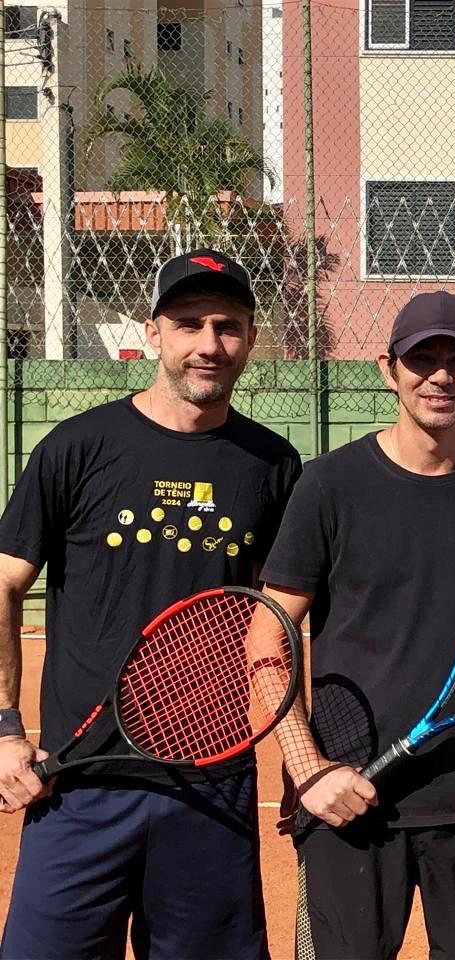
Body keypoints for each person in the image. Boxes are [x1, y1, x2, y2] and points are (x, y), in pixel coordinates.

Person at [0, 249, 302, 959]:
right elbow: (5, 584)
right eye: (189, 324)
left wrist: (297, 755)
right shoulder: (77, 447)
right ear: (153, 332)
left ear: (250, 338)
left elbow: (279, 625)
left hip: (212, 783)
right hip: (79, 782)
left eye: (227, 326)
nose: (209, 344)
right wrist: (6, 729)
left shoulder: (273, 466)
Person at [259, 291, 455, 960]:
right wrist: (309, 770)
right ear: (387, 369)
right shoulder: (328, 486)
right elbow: (267, 637)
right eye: (422, 359)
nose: (440, 376)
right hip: (351, 797)